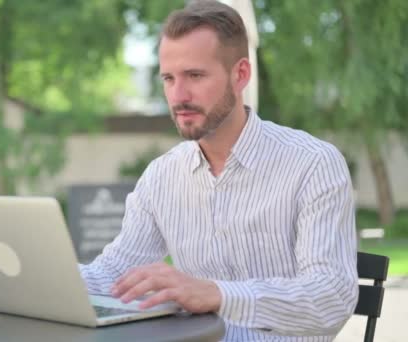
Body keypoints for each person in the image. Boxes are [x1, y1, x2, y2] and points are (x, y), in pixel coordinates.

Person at [79, 0, 358, 340]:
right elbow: (115, 274)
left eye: (195, 75)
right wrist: (36, 274)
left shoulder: (313, 164)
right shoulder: (162, 176)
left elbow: (330, 298)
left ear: (240, 74)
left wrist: (217, 294)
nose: (178, 95)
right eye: (169, 78)